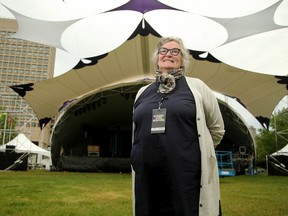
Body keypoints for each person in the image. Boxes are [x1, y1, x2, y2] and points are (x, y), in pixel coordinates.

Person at [131, 36, 225, 216]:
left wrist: (195, 153)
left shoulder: (197, 87)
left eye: (175, 51)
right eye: (163, 51)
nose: (168, 54)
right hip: (147, 176)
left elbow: (217, 129)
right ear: (157, 58)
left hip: (185, 176)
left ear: (182, 60)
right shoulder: (142, 92)